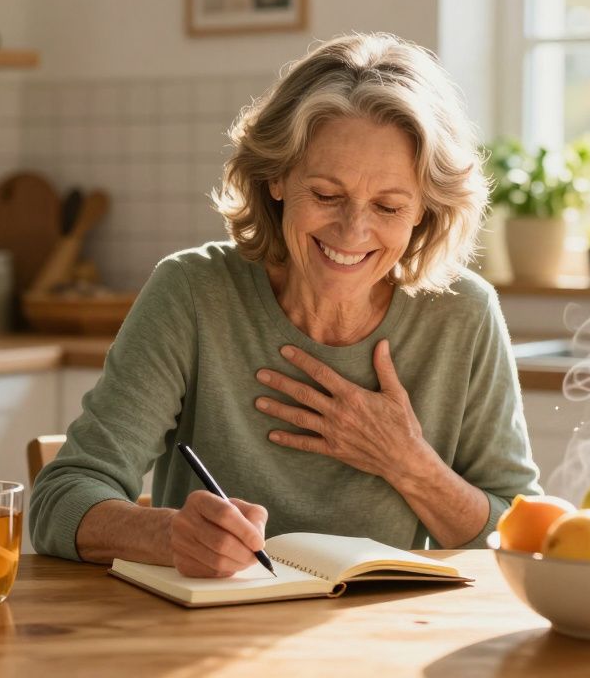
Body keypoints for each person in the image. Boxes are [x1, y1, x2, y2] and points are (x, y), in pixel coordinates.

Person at [30, 33, 541, 578]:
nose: (352, 231)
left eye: (389, 206)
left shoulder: (464, 314)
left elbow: (520, 535)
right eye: (326, 195)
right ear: (276, 176)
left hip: (382, 640)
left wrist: (406, 461)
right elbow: (59, 499)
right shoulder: (193, 293)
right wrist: (168, 534)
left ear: (425, 210)